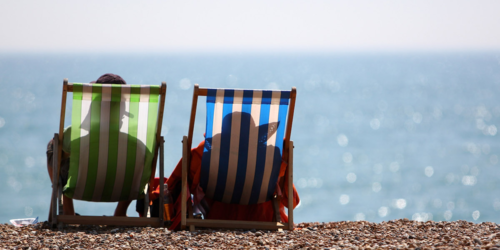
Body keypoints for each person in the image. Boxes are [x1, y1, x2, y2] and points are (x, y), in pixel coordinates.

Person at [46, 73, 132, 216]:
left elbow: (58, 146)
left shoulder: (74, 135)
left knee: (54, 148)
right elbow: (148, 158)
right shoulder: (135, 143)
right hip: (120, 188)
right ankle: (120, 212)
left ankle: (67, 210)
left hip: (83, 187)